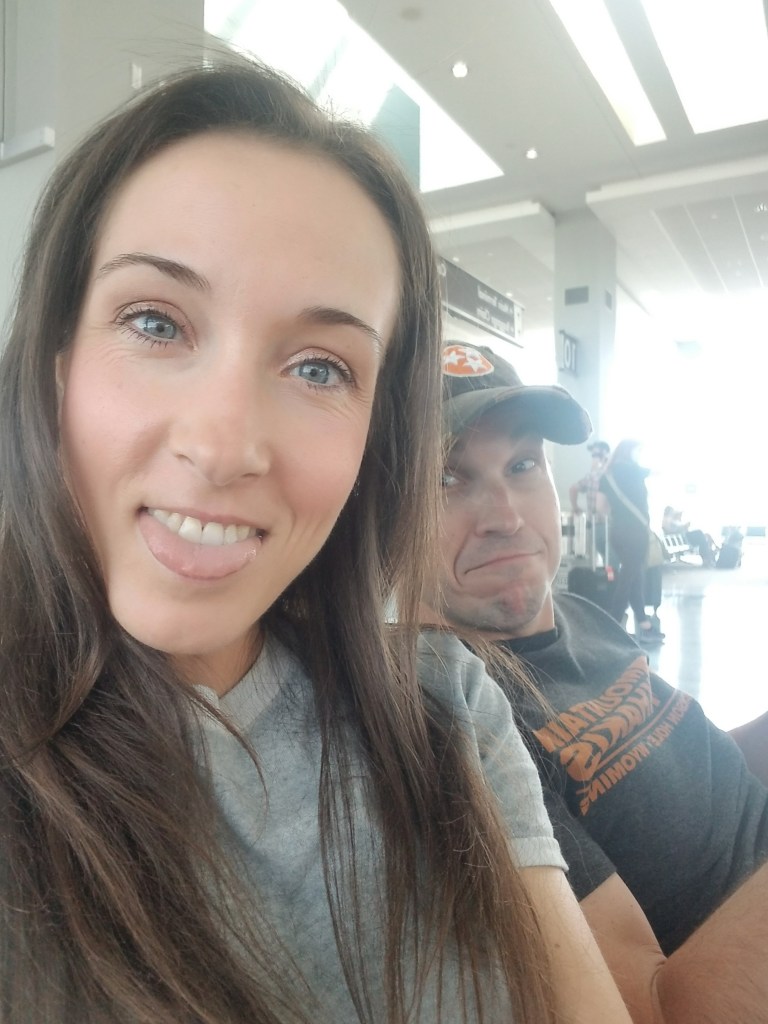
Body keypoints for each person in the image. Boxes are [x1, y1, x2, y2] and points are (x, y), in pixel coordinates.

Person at [0, 61, 632, 1024]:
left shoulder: (445, 710)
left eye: (318, 367)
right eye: (154, 321)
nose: (221, 447)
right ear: (54, 367)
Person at [420, 342, 768, 1024]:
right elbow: (656, 1008)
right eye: (445, 480)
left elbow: (666, 767)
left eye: (522, 465)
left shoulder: (580, 615)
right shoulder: (450, 711)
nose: (506, 516)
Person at [599, 439, 661, 642]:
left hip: (617, 531)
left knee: (634, 575)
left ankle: (643, 623)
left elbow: (601, 507)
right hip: (636, 532)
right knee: (629, 578)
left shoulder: (607, 475)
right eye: (638, 451)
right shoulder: (633, 470)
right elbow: (655, 472)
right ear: (630, 452)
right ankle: (614, 624)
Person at [569, 440, 609, 560]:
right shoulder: (614, 475)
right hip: (613, 526)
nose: (593, 458)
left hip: (597, 526)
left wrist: (575, 507)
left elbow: (573, 489)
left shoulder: (593, 476)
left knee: (604, 562)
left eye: (595, 455)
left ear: (603, 455)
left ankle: (609, 576)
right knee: (612, 564)